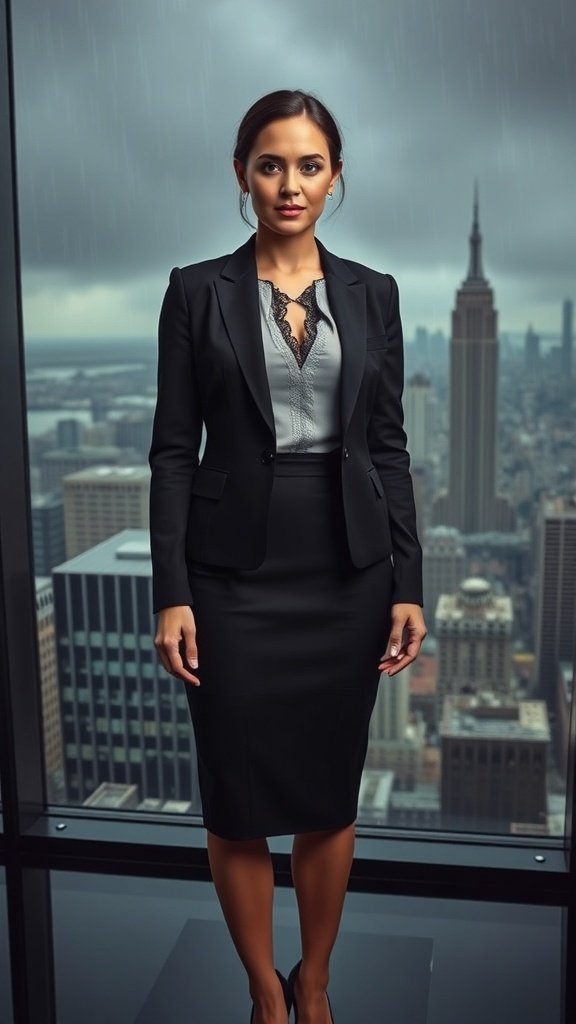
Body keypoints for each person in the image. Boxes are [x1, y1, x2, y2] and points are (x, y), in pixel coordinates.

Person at [149, 88, 427, 1024]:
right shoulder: (196, 290)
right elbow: (172, 451)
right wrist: (172, 591)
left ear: (336, 175)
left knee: (328, 794)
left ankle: (316, 980)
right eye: (271, 165)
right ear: (242, 174)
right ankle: (265, 991)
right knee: (235, 798)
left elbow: (388, 447)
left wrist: (408, 583)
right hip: (230, 578)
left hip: (349, 571)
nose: (291, 184)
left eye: (310, 165)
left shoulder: (374, 292)